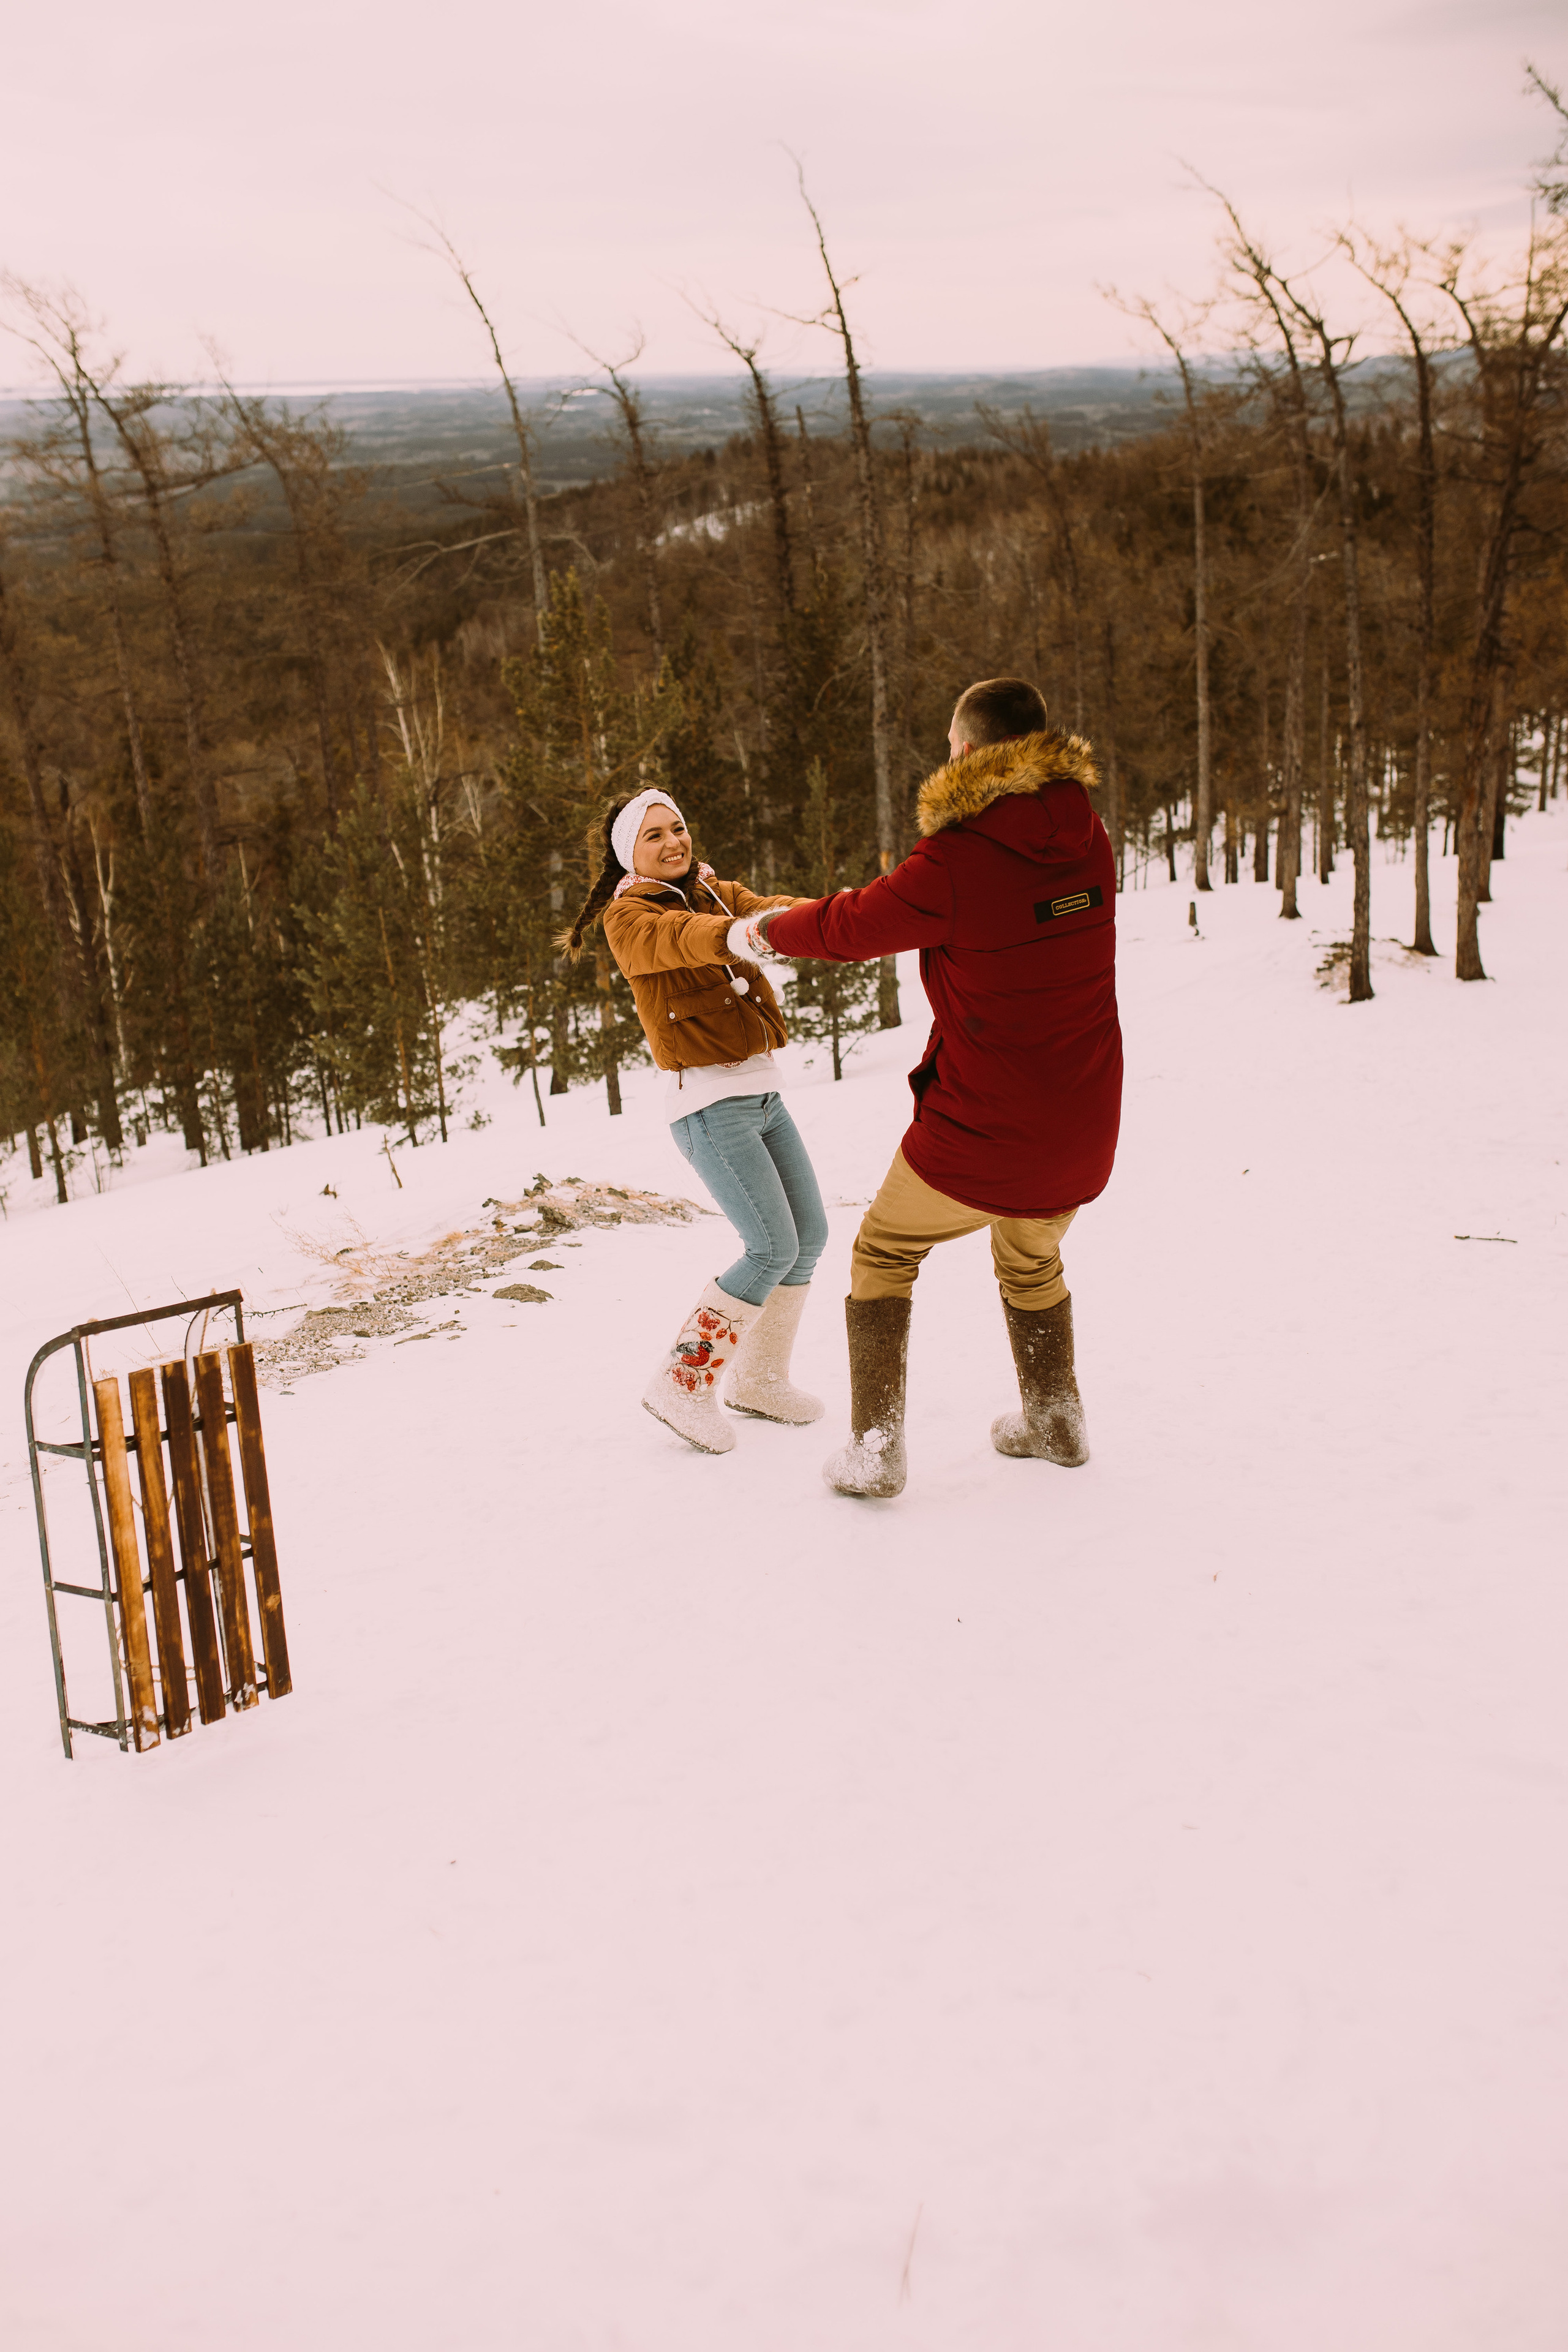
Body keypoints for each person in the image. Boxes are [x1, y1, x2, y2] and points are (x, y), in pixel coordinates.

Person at [727, 677, 1122, 1499]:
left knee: (883, 1250)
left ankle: (875, 1448)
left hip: (982, 1127)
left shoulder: (959, 859)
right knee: (1030, 1254)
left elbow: (849, 927)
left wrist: (760, 930)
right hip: (1084, 1123)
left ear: (970, 752)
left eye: (950, 745)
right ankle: (1054, 1416)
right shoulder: (1091, 841)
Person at [560, 787, 830, 1455]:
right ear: (632, 853)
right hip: (708, 1106)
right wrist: (742, 936)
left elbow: (768, 912)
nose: (673, 842)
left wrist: (832, 915)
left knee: (809, 1235)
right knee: (769, 1247)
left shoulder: (713, 890)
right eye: (654, 835)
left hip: (762, 1094)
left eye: (677, 827)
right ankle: (681, 1383)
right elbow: (684, 941)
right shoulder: (629, 918)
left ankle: (760, 1380)